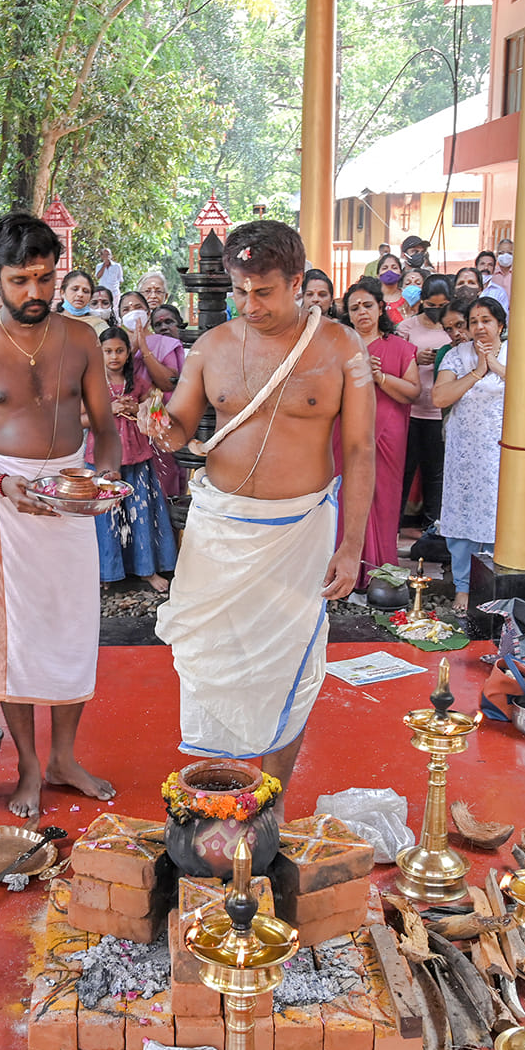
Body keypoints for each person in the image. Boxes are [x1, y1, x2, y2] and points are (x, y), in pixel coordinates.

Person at [146, 220, 370, 794]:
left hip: (299, 530)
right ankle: (220, 789)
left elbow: (360, 451)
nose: (250, 304)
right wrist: (154, 423)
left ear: (297, 282)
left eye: (264, 292)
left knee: (286, 665)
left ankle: (271, 797)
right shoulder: (212, 346)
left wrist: (350, 548)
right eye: (241, 291)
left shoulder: (342, 347)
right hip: (218, 528)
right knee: (211, 657)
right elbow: (178, 433)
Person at [0, 212, 121, 817]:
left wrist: (105, 477)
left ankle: (65, 757)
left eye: (45, 279)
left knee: (72, 625)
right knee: (13, 637)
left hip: (71, 493)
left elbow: (106, 429)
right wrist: (2, 484)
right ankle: (29, 767)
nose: (35, 293)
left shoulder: (81, 339)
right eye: (20, 280)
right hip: (1, 501)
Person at [429, 295, 509, 612]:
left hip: (501, 450)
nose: (479, 327)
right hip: (465, 450)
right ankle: (463, 586)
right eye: (473, 322)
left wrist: (496, 366)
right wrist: (477, 371)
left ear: (500, 325)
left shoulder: (516, 353)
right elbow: (440, 397)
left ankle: (492, 585)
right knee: (462, 515)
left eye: (486, 321)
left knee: (495, 514)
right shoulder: (456, 355)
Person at [340, 280, 418, 587]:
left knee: (384, 498)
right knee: (346, 497)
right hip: (345, 433)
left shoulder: (399, 348)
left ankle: (381, 574)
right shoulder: (340, 347)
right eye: (354, 308)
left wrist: (379, 376)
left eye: (367, 305)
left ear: (380, 308)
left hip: (388, 433)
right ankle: (346, 572)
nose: (362, 312)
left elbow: (413, 392)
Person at [90, 325, 176, 592]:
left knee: (141, 513)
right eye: (108, 351)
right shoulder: (91, 383)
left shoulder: (138, 382)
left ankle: (146, 570)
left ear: (129, 353)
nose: (114, 356)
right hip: (102, 457)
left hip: (137, 455)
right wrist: (108, 409)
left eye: (120, 350)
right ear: (99, 353)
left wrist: (136, 407)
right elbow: (78, 419)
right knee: (106, 515)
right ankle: (106, 571)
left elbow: (156, 409)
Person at [397, 276, 457, 530]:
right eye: (431, 305)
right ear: (422, 302)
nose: (436, 311)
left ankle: (433, 524)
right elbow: (397, 361)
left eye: (442, 305)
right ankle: (394, 522)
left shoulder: (452, 327)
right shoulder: (407, 327)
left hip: (438, 413)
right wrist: (415, 357)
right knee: (404, 471)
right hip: (410, 410)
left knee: (435, 474)